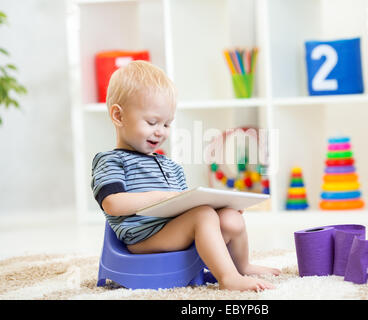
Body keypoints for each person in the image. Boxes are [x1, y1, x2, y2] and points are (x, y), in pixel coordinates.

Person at [91, 60, 280, 291]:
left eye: (167, 124)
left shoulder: (171, 166)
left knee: (230, 217)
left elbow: (185, 207)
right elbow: (112, 203)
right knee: (202, 216)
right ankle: (228, 278)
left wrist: (220, 205)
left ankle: (242, 266)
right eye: (152, 122)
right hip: (143, 239)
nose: (160, 131)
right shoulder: (111, 160)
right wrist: (162, 197)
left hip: (173, 229)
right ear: (119, 116)